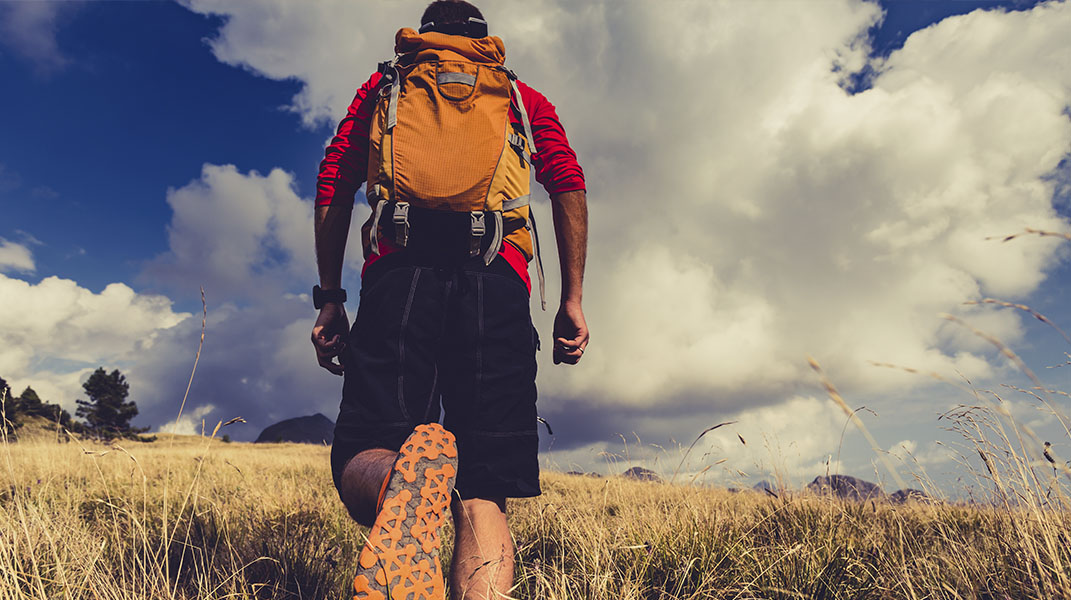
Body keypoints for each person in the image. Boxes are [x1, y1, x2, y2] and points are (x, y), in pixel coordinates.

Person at [311, 1, 588, 598]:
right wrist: (572, 297)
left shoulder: (386, 87)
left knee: (366, 448)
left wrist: (330, 297)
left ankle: (397, 486)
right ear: (483, 40)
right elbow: (566, 179)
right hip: (498, 278)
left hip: (400, 275)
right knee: (484, 483)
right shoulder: (518, 96)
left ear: (424, 35)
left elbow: (335, 175)